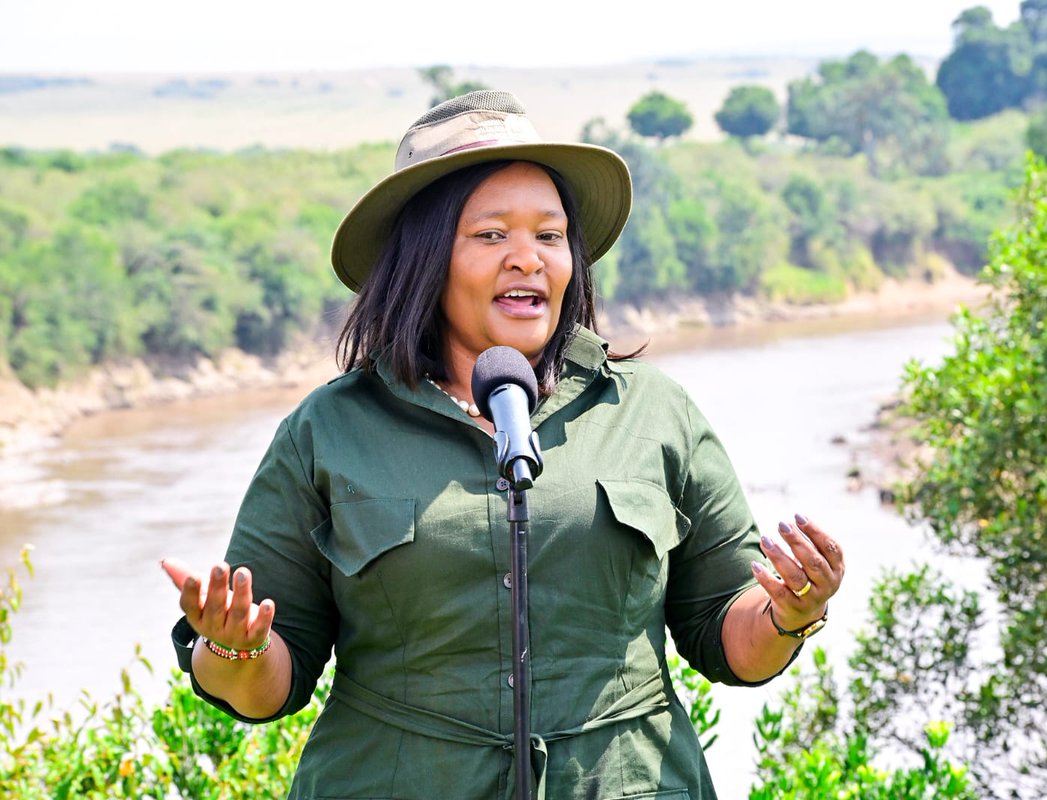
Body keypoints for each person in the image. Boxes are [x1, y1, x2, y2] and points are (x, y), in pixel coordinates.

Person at [161, 90, 844, 799]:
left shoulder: (651, 411)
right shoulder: (329, 431)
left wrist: (790, 612)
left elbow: (728, 635)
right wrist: (233, 644)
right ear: (426, 260)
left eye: (549, 236)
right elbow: (265, 684)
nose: (528, 259)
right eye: (492, 236)